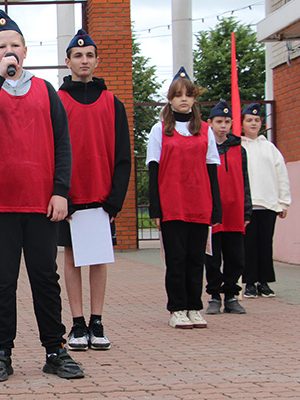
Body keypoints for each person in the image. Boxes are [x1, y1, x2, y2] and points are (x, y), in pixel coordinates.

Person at [0, 10, 83, 381]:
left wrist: (60, 191)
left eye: (15, 45)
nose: (9, 51)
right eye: (2, 47)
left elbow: (62, 143)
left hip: (40, 203)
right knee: (2, 281)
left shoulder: (46, 90)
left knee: (45, 279)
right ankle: (1, 351)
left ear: (26, 51)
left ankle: (55, 349)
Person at [57, 30, 131, 351]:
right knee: (72, 257)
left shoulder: (112, 103)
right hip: (70, 199)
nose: (84, 60)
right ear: (68, 61)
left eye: (89, 55)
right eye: (78, 55)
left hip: (102, 200)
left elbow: (124, 156)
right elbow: (50, 151)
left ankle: (97, 321)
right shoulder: (57, 102)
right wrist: (60, 194)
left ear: (97, 61)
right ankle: (77, 323)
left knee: (99, 258)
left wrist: (115, 202)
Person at [146, 67, 222, 329]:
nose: (183, 99)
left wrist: (216, 207)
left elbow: (212, 170)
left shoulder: (205, 131)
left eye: (188, 95)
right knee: (176, 259)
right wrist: (155, 208)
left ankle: (194, 307)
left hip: (199, 204)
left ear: (194, 99)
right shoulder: (159, 130)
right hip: (172, 204)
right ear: (170, 99)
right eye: (178, 95)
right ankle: (177, 308)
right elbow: (153, 170)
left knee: (196, 259)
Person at [203, 101, 251, 315]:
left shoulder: (239, 150)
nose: (223, 126)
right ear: (210, 123)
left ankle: (231, 295)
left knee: (236, 257)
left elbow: (245, 181)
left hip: (235, 211)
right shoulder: (205, 147)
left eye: (227, 122)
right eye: (219, 121)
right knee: (212, 258)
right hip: (213, 212)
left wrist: (247, 210)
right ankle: (214, 295)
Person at [241, 103, 291, 298]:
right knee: (248, 245)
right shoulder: (239, 147)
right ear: (242, 123)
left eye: (256, 120)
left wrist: (283, 202)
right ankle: (249, 283)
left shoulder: (270, 148)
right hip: (248, 206)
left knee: (265, 243)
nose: (253, 123)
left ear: (262, 123)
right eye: (249, 120)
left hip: (268, 204)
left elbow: (281, 174)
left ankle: (264, 282)